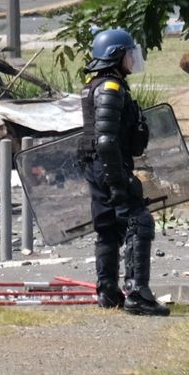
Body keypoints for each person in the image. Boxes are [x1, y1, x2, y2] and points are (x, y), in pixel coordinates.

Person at [79, 27, 168, 316]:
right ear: (115, 56)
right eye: (129, 54)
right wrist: (119, 183)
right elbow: (105, 140)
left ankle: (108, 291)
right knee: (138, 221)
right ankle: (137, 294)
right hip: (109, 166)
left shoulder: (96, 84)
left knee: (108, 227)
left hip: (97, 167)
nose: (132, 60)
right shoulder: (110, 89)